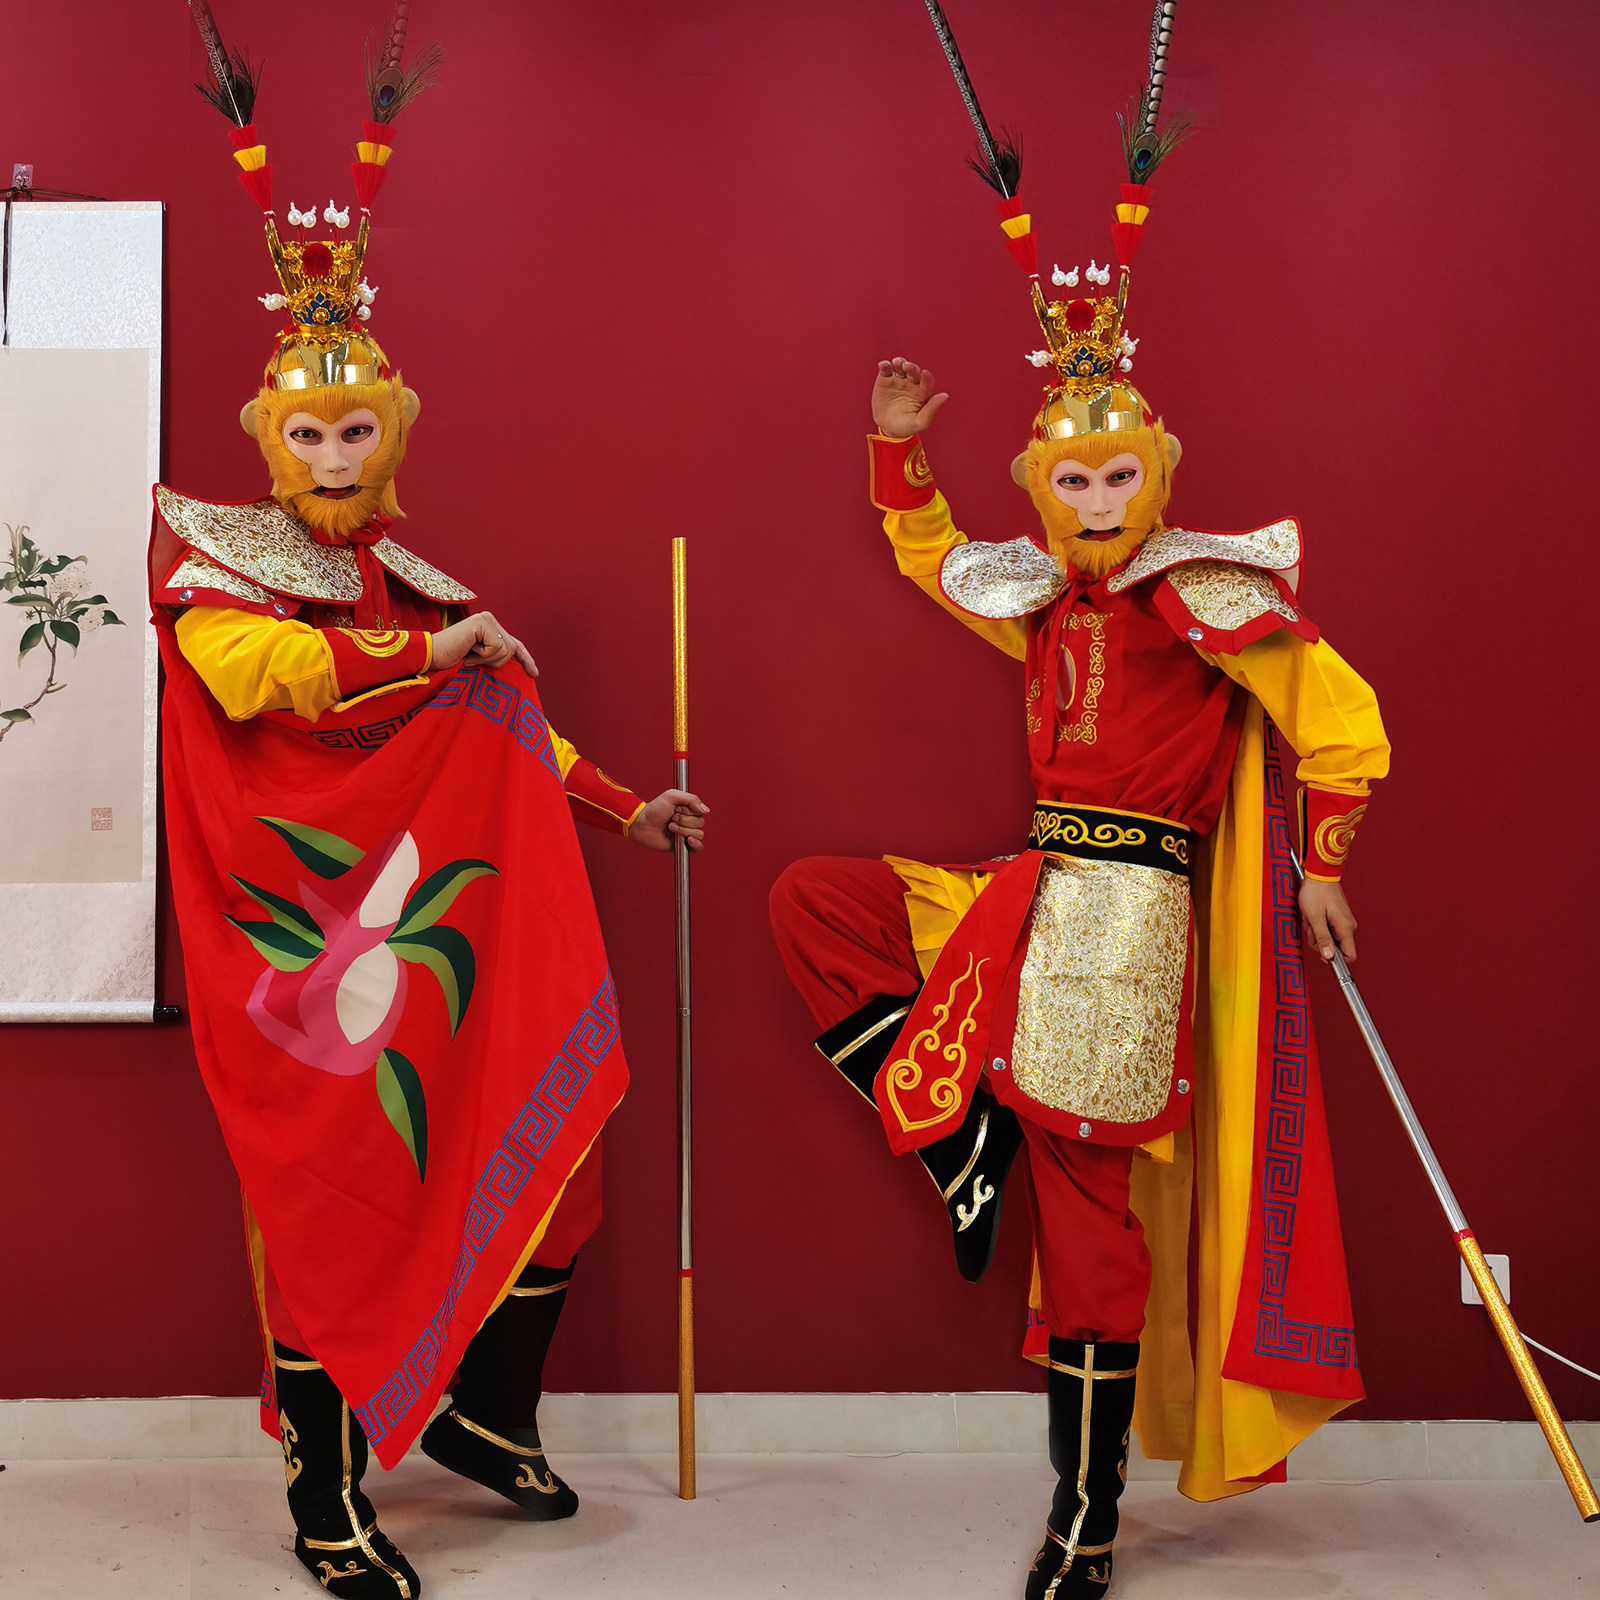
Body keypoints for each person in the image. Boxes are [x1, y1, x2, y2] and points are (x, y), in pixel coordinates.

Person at [769, 21, 1387, 1588]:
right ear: (1042, 488)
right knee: (814, 904)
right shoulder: (1044, 602)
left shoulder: (1204, 598)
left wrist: (1322, 863)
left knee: (1093, 1215)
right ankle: (964, 1131)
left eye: (1117, 480)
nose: (1096, 504)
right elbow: (936, 565)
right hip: (1032, 894)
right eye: (1071, 482)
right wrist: (898, 456)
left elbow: (1339, 716)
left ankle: (1087, 1516)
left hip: (1130, 929)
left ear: (1153, 476)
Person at [153, 19, 706, 1597]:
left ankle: (479, 1410)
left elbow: (499, 722)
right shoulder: (218, 567)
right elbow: (262, 679)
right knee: (326, 1213)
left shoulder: (417, 583)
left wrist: (620, 807)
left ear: (390, 435)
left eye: (356, 433)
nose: (333, 457)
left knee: (556, 1157)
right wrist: (421, 653)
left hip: (436, 935)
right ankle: (325, 1492)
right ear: (273, 440)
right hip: (298, 945)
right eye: (309, 433)